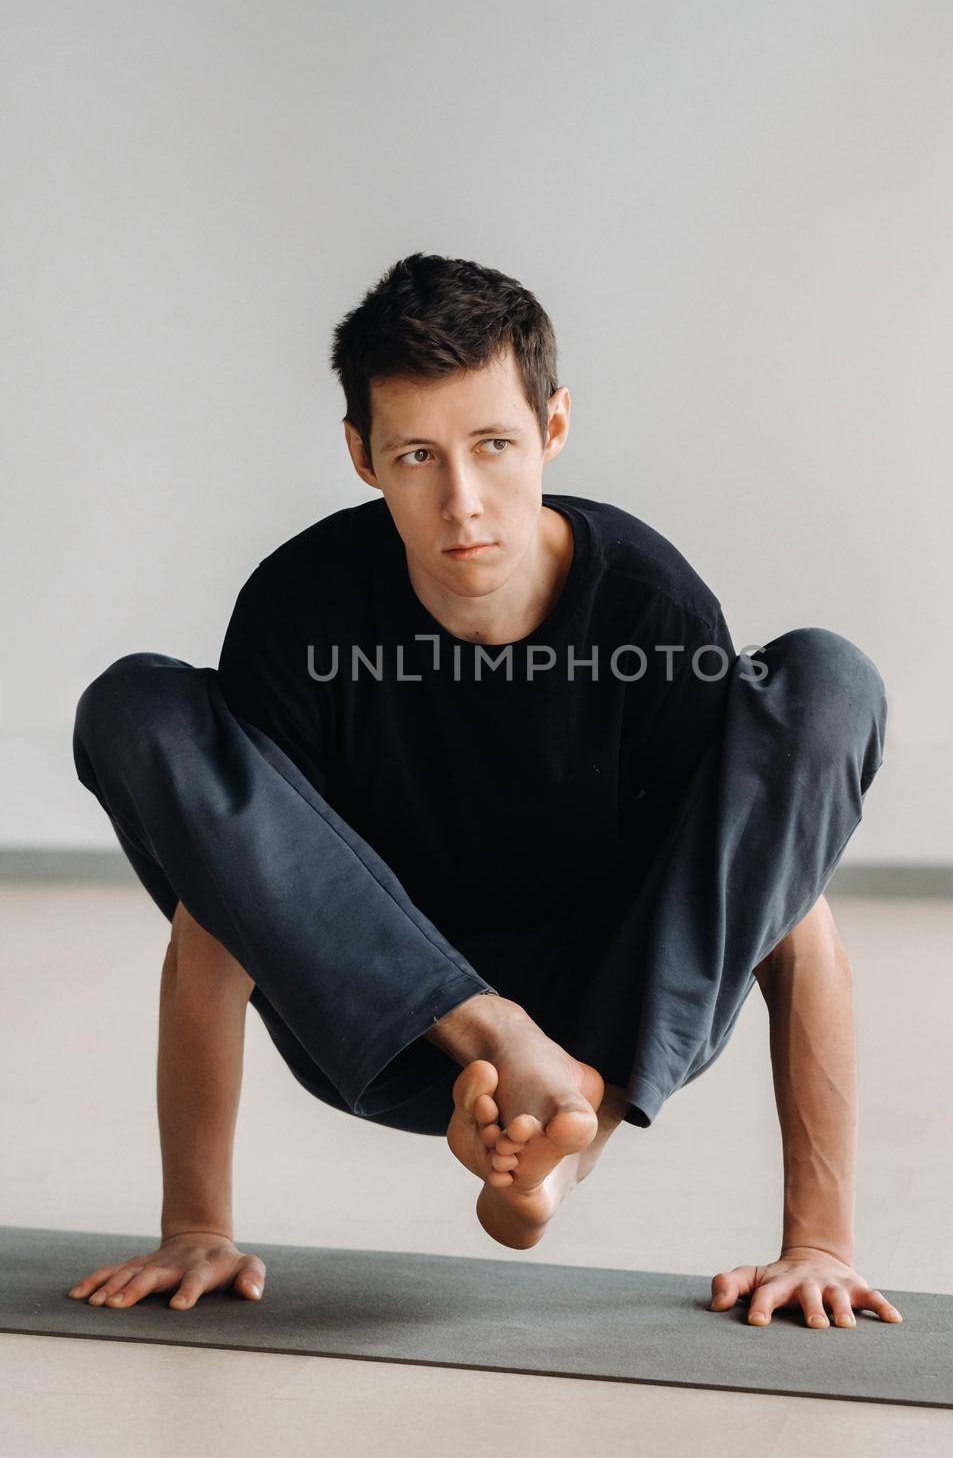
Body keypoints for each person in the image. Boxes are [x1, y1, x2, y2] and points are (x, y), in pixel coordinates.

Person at [67, 252, 901, 1331]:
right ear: (362, 455)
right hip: (391, 1029)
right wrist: (196, 1224)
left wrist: (818, 1242)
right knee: (139, 705)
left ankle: (561, 1138)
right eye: (416, 455)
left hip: (612, 1021)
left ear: (552, 428)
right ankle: (502, 1046)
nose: (462, 502)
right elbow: (229, 902)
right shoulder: (297, 610)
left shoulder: (649, 611)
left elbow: (782, 906)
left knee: (826, 679)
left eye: (493, 445)